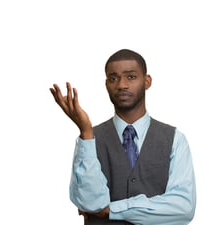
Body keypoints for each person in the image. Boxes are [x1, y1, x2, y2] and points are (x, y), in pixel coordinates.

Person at [49, 49, 196, 225]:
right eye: (113, 78)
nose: (121, 85)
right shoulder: (88, 140)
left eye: (131, 77)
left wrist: (113, 209)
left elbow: (183, 207)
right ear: (106, 84)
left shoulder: (175, 139)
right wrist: (86, 131)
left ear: (147, 81)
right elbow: (91, 204)